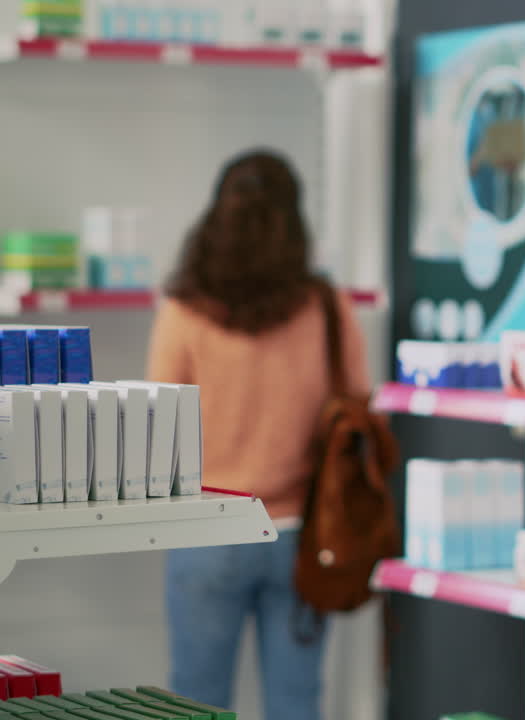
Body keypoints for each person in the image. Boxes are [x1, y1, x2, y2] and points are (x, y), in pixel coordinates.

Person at [146, 150, 369, 720]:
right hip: (302, 534)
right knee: (297, 702)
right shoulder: (324, 307)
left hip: (204, 531)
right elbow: (362, 409)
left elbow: (154, 423)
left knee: (196, 700)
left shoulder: (184, 310)